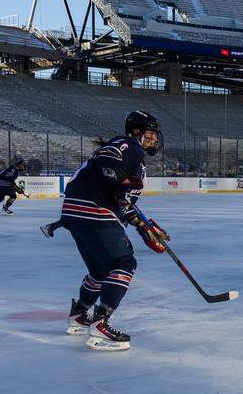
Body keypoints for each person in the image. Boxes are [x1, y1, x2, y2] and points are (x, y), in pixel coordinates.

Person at [60, 111, 168, 351]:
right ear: (137, 131)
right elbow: (110, 163)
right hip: (93, 209)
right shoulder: (130, 145)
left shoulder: (125, 148)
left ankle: (79, 315)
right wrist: (116, 176)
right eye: (149, 134)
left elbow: (122, 200)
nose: (153, 140)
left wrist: (143, 226)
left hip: (74, 212)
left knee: (100, 271)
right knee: (124, 263)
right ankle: (100, 324)